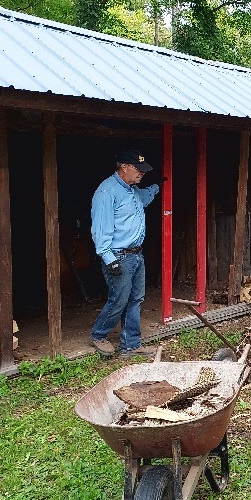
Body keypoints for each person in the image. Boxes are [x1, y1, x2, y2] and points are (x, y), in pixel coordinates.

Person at [89, 149, 160, 358]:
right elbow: (100, 228)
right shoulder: (107, 191)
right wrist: (109, 258)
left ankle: (131, 345)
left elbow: (144, 198)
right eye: (139, 169)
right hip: (118, 256)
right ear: (124, 167)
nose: (142, 173)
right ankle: (99, 335)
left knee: (136, 299)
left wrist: (158, 186)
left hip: (136, 254)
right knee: (119, 299)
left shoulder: (132, 190)